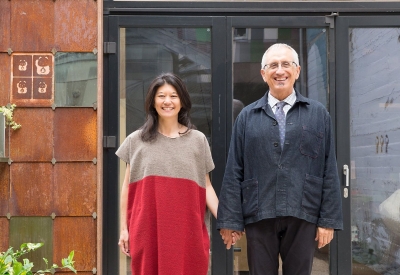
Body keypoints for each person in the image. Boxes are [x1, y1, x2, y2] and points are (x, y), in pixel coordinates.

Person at [216, 43, 343, 275]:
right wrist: (230, 219)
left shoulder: (318, 113)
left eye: (286, 64)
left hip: (303, 211)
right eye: (273, 65)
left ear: (297, 71)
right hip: (259, 212)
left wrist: (328, 220)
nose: (280, 70)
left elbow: (328, 168)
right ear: (264, 74)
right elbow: (235, 168)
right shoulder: (247, 116)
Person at [116, 73, 219, 275]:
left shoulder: (198, 140)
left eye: (173, 96)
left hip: (187, 232)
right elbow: (127, 188)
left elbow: (206, 186)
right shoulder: (136, 141)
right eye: (161, 96)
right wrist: (123, 229)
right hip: (147, 230)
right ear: (153, 102)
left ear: (182, 101)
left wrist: (226, 220)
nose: (167, 101)